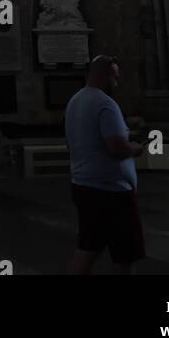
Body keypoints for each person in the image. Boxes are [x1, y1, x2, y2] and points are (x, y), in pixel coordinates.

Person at [64, 54, 145, 274]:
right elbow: (116, 147)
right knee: (126, 254)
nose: (116, 84)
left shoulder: (75, 101)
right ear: (104, 76)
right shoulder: (105, 104)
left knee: (88, 248)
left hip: (84, 185)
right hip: (111, 191)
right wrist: (136, 148)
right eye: (114, 78)